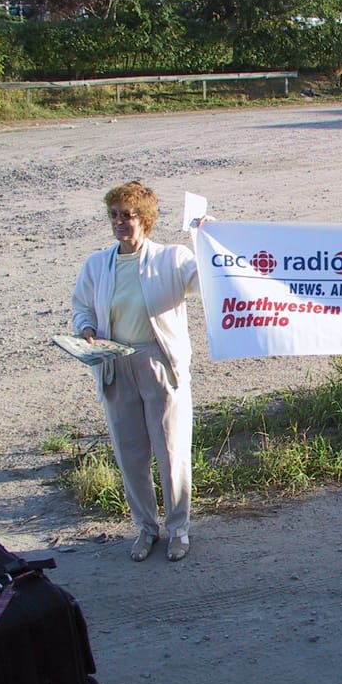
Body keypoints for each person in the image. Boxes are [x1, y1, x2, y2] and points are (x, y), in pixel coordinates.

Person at [71, 181, 200, 563]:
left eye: (126, 216)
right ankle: (146, 529)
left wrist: (208, 238)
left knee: (171, 450)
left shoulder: (171, 259)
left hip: (158, 363)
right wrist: (86, 331)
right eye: (113, 215)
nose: (119, 222)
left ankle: (179, 530)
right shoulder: (97, 264)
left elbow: (207, 279)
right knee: (131, 454)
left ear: (144, 219)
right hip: (114, 364)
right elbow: (82, 307)